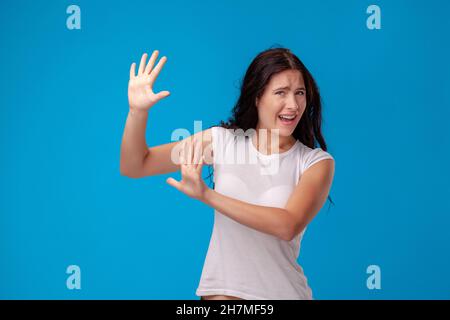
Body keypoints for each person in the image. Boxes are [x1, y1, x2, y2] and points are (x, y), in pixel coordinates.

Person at [120, 47, 335, 300]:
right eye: (281, 93)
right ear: (257, 97)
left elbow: (286, 224)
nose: (293, 104)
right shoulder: (223, 142)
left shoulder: (315, 162)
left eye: (300, 93)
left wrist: (206, 195)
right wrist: (137, 112)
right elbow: (136, 165)